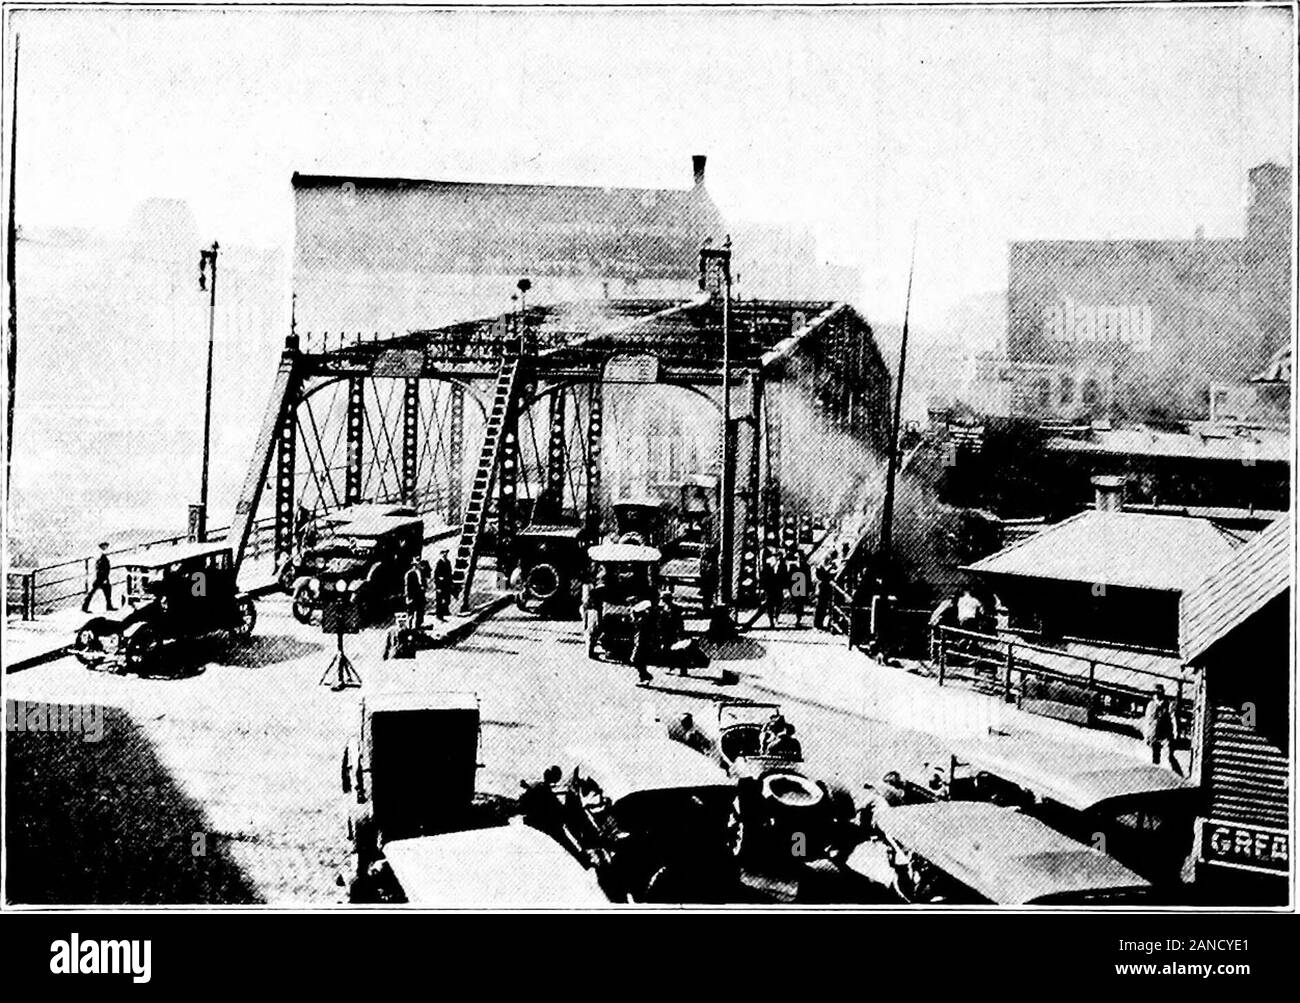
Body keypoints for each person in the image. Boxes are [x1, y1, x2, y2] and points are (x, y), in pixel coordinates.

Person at [1143, 684, 1184, 776]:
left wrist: (1176, 731)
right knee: (1155, 758)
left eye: (1159, 692)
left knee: (1169, 756)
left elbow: (1173, 718)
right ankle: (1155, 777)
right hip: (1154, 734)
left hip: (1165, 735)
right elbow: (1147, 721)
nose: (1157, 694)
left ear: (1163, 692)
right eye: (1155, 692)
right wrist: (1146, 735)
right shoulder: (1151, 705)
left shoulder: (1168, 704)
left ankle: (1180, 776)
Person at [82, 542, 115, 612]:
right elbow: (100, 568)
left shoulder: (101, 555)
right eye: (104, 546)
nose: (106, 547)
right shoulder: (101, 556)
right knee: (95, 592)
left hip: (102, 577)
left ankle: (109, 605)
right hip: (101, 577)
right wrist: (104, 578)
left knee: (106, 590)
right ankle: (85, 607)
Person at [760, 551, 786, 629]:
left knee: (778, 604)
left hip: (777, 587)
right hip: (771, 588)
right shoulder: (768, 566)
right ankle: (772, 622)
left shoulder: (782, 565)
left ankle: (776, 618)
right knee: (770, 606)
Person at [787, 547, 812, 628]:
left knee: (800, 605)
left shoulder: (806, 567)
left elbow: (808, 578)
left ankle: (798, 619)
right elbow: (789, 578)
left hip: (802, 588)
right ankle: (798, 618)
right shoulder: (793, 567)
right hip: (795, 588)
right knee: (796, 604)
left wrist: (809, 588)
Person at [813, 553, 838, 630]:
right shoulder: (820, 567)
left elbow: (833, 574)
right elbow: (821, 576)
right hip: (822, 589)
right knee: (820, 607)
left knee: (828, 607)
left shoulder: (833, 567)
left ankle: (827, 623)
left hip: (828, 589)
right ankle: (817, 624)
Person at [403, 556, 426, 630]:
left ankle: (418, 627)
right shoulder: (409, 574)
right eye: (418, 564)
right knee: (411, 614)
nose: (419, 565)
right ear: (414, 565)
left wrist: (423, 587)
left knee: (420, 612)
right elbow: (407, 587)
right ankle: (410, 628)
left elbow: (424, 583)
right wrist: (408, 598)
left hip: (420, 596)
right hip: (413, 597)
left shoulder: (421, 572)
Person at [433, 548, 453, 620]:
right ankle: (439, 615)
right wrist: (438, 587)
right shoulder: (439, 563)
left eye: (446, 553)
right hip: (441, 585)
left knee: (447, 599)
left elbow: (450, 573)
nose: (445, 554)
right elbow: (436, 576)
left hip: (447, 584)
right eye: (443, 553)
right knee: (440, 600)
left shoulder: (448, 562)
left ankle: (445, 611)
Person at [697, 543, 718, 612]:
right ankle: (707, 608)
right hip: (708, 582)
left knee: (708, 596)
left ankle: (706, 608)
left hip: (708, 582)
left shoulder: (710, 564)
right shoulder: (708, 563)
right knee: (708, 596)